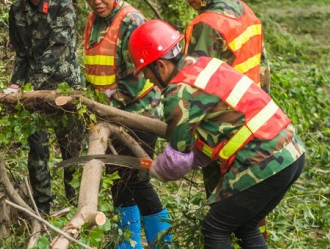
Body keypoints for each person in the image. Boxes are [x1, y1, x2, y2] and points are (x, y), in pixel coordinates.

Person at [129, 20, 306, 249]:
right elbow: (217, 129)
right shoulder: (206, 64)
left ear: (161, 66)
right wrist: (194, 156)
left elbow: (176, 161)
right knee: (246, 226)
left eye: (146, 74)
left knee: (214, 229)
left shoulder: (179, 91)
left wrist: (155, 169)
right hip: (292, 152)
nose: (149, 82)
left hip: (264, 160)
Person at [173, 0, 272, 239]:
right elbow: (264, 70)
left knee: (223, 221)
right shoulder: (245, 11)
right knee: (253, 215)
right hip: (259, 126)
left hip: (226, 135)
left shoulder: (206, 24)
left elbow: (195, 91)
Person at [78, 0, 171, 249]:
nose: (96, 1)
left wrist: (108, 101)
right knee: (119, 181)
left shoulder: (131, 20)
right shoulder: (93, 21)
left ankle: (162, 241)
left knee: (138, 180)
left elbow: (138, 73)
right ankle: (127, 244)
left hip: (138, 116)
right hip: (108, 116)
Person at [5, 0, 84, 215]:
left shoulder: (62, 5)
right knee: (37, 151)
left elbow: (57, 50)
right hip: (32, 92)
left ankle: (77, 209)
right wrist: (15, 83)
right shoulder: (16, 10)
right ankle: (43, 209)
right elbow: (22, 54)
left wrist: (28, 87)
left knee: (72, 152)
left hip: (65, 89)